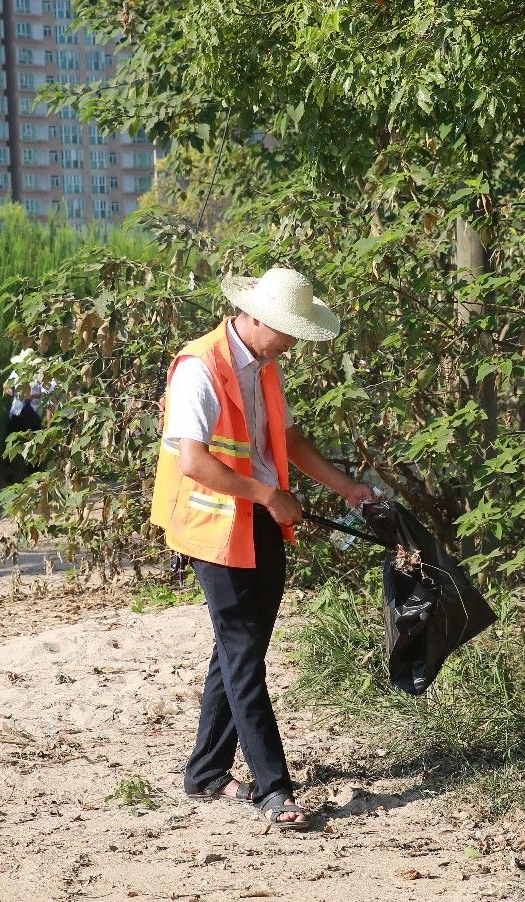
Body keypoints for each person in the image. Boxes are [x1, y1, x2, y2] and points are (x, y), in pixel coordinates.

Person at [150, 267, 374, 830]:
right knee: (245, 656)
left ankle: (205, 773)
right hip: (213, 527)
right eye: (288, 330)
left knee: (236, 651)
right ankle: (274, 788)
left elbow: (289, 440)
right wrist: (268, 496)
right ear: (255, 318)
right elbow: (195, 462)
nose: (294, 341)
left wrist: (345, 487)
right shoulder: (198, 368)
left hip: (262, 519)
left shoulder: (266, 369)